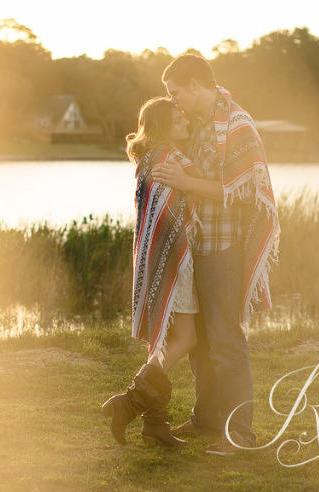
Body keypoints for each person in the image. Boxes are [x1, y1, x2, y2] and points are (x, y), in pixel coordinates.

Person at [151, 54, 280, 455]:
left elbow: (237, 191)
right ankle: (206, 418)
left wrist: (186, 182)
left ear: (194, 85)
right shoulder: (199, 123)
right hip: (197, 244)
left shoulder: (237, 125)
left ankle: (240, 433)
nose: (174, 101)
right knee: (201, 342)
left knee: (225, 338)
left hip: (224, 247)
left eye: (175, 93)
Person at [101, 96, 201, 447]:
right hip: (175, 260)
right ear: (161, 128)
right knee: (186, 339)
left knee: (162, 342)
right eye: (178, 121)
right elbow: (207, 189)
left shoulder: (147, 159)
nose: (186, 124)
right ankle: (128, 404)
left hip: (152, 257)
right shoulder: (171, 158)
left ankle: (155, 426)